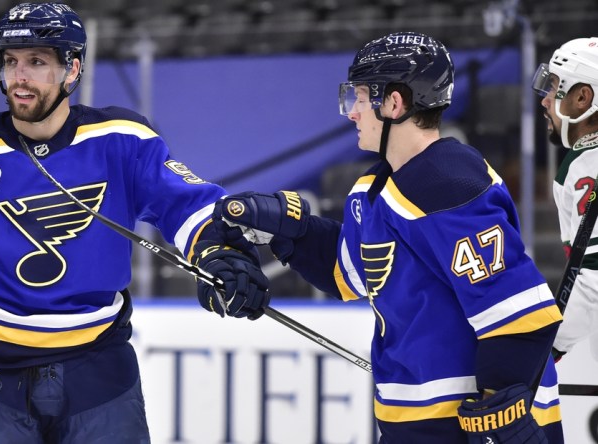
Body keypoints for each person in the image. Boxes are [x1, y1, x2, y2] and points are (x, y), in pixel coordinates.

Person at [0, 3, 269, 443]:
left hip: (99, 372)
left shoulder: (124, 140)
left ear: (73, 68)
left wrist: (219, 250)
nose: (19, 77)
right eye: (10, 62)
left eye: (37, 62)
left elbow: (188, 204)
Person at [210, 32, 564, 443]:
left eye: (359, 98)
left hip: (466, 426)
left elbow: (521, 316)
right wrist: (292, 230)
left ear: (394, 103)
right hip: (409, 423)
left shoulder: (448, 185)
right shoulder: (374, 188)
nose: (351, 113)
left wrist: (498, 418)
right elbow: (347, 273)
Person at [532, 37, 598, 363]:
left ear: (583, 97)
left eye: (555, 85)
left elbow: (596, 279)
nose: (545, 100)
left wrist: (547, 348)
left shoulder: (587, 167)